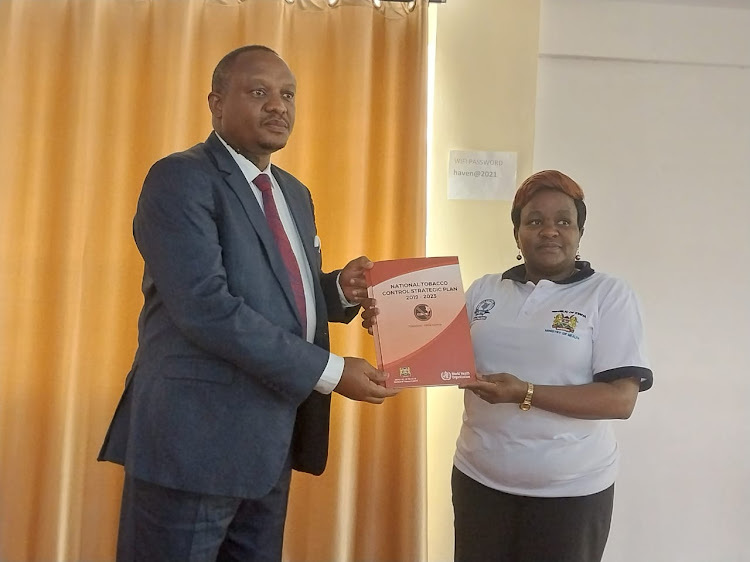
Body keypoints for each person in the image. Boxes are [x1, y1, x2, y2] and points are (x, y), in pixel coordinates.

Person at [99, 45, 397, 561]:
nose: (278, 106)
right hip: (192, 446)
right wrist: (330, 371)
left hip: (269, 443)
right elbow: (208, 308)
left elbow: (271, 292)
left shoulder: (293, 192)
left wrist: (336, 292)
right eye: (259, 92)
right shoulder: (179, 179)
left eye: (287, 94)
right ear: (216, 103)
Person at [361, 170, 653, 562]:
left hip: (569, 493)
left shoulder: (609, 294)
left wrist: (525, 393)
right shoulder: (484, 289)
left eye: (563, 221)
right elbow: (432, 350)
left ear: (580, 232)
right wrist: (389, 321)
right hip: (479, 480)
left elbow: (620, 400)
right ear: (517, 234)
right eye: (534, 221)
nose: (549, 231)